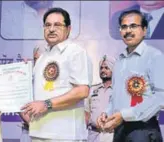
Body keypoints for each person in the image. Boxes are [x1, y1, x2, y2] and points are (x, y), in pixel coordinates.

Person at [21, 7, 92, 142]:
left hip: (64, 134)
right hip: (39, 131)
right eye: (48, 25)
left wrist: (46, 104)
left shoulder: (75, 52)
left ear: (68, 29)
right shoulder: (42, 57)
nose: (52, 29)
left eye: (57, 25)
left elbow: (82, 91)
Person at [97, 10, 163, 142]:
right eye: (124, 27)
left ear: (144, 30)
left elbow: (161, 97)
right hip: (120, 129)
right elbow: (115, 96)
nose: (128, 31)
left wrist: (125, 115)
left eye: (133, 26)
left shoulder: (155, 57)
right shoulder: (120, 61)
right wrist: (106, 114)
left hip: (143, 131)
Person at [85, 55, 115, 142]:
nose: (103, 70)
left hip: (111, 135)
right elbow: (86, 113)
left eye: (106, 68)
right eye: (101, 68)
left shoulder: (119, 90)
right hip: (93, 135)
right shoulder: (92, 89)